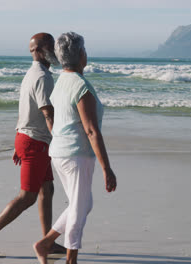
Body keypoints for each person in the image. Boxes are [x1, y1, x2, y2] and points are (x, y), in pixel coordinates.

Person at [0, 32, 66, 257]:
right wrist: (62, 141)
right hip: (35, 141)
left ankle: (47, 240)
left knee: (48, 189)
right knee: (28, 196)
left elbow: (25, 109)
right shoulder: (42, 77)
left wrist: (19, 142)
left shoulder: (34, 73)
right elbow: (48, 113)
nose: (55, 51)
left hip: (30, 139)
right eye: (50, 46)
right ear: (38, 50)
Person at [33, 32, 117, 264]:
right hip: (76, 154)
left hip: (60, 152)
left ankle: (45, 242)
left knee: (82, 204)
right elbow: (91, 131)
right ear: (81, 55)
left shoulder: (62, 81)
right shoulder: (81, 86)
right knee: (79, 211)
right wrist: (106, 168)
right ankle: (71, 260)